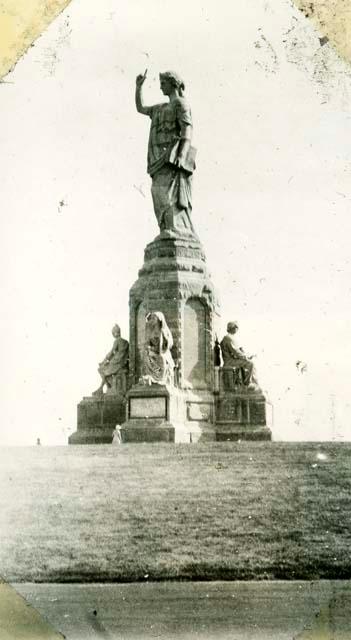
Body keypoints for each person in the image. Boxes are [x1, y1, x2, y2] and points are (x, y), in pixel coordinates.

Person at [135, 69, 196, 237]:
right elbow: (141, 108)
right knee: (157, 191)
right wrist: (138, 87)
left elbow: (187, 130)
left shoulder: (181, 104)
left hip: (172, 158)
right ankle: (166, 229)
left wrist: (182, 155)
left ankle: (174, 228)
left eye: (163, 83)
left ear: (173, 84)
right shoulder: (160, 107)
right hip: (158, 159)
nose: (161, 87)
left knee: (169, 194)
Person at [93, 325, 129, 396]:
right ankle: (103, 387)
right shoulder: (126, 342)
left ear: (115, 333)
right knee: (104, 369)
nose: (114, 335)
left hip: (116, 363)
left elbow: (111, 352)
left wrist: (103, 361)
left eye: (113, 333)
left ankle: (107, 386)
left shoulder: (117, 341)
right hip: (122, 363)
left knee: (101, 369)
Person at [220, 321, 258, 389]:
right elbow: (236, 352)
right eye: (236, 327)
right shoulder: (228, 338)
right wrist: (246, 357)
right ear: (233, 328)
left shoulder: (230, 337)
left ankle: (253, 382)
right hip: (230, 362)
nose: (237, 329)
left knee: (249, 362)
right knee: (250, 363)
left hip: (232, 360)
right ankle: (247, 384)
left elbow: (239, 351)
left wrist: (247, 356)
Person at [141, 312, 175, 386]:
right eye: (152, 318)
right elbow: (147, 342)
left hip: (161, 352)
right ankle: (152, 376)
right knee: (146, 356)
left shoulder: (162, 331)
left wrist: (152, 349)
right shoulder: (151, 331)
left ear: (159, 319)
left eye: (154, 318)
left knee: (160, 358)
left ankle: (158, 378)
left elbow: (160, 348)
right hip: (153, 352)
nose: (152, 320)